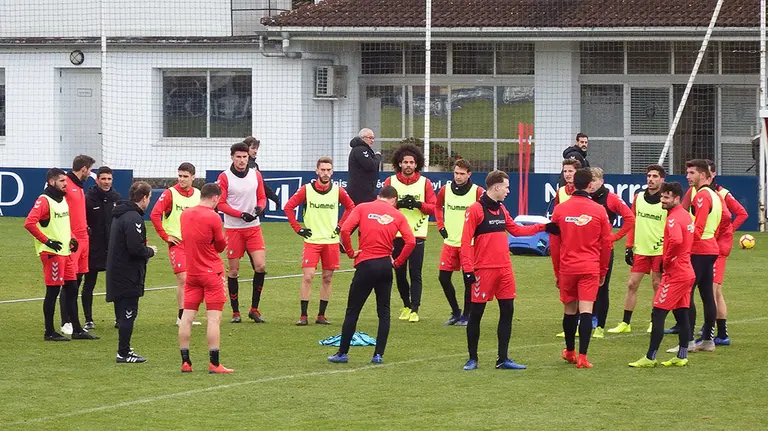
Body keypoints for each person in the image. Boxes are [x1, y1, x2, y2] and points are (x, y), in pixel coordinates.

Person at [461, 170, 554, 371]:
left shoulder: (501, 209)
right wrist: (468, 269)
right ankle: (472, 359)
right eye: (506, 187)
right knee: (476, 313)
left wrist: (543, 227)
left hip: (504, 269)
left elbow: (517, 230)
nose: (508, 191)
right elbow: (465, 242)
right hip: (483, 270)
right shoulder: (475, 210)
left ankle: (502, 359)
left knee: (508, 311)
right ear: (496, 187)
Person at [328, 186, 415, 364]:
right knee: (383, 312)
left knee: (353, 310)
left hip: (366, 264)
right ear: (394, 200)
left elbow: (345, 231)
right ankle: (378, 355)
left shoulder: (362, 208)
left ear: (378, 196)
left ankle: (342, 353)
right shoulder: (398, 215)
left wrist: (351, 252)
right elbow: (411, 241)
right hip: (385, 265)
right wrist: (397, 263)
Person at [25, 168, 99, 342]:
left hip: (65, 252)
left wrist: (72, 239)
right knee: (52, 291)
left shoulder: (62, 200)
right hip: (52, 254)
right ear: (52, 182)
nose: (66, 184)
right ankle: (49, 331)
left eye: (66, 181)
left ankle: (77, 329)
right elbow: (29, 223)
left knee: (72, 288)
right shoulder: (44, 201)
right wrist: (47, 241)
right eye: (62, 181)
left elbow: (64, 225)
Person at [550, 168, 612, 369]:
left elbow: (554, 244)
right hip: (590, 267)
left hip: (568, 267)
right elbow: (607, 245)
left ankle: (569, 351)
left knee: (569, 309)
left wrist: (557, 270)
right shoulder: (599, 210)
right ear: (589, 185)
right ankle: (583, 357)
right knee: (586, 310)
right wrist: (602, 271)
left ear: (573, 184)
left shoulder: (560, 210)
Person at [629, 182, 695, 368]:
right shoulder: (686, 215)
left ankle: (650, 358)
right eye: (662, 196)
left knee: (658, 313)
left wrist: (667, 260)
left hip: (676, 274)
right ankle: (682, 356)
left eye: (667, 197)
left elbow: (676, 240)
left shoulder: (674, 217)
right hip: (686, 271)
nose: (662, 200)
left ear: (676, 199)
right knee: (682, 314)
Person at [283, 157, 355, 325]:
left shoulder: (338, 191)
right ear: (317, 171)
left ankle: (321, 316)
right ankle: (303, 316)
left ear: (332, 172)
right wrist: (298, 228)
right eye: (322, 170)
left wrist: (340, 225)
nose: (325, 173)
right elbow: (288, 207)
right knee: (308, 277)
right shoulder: (306, 190)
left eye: (328, 170)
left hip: (330, 242)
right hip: (312, 241)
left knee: (327, 278)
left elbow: (351, 207)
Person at [178, 183, 233, 374]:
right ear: (216, 198)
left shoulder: (185, 214)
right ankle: (214, 363)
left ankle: (186, 362)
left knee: (186, 318)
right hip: (212, 274)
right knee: (213, 319)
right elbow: (220, 245)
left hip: (191, 273)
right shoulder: (214, 217)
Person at [607, 164, 666, 335]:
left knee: (657, 285)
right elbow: (633, 222)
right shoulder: (639, 197)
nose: (651, 179)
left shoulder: (665, 200)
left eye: (655, 176)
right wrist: (628, 246)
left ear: (662, 179)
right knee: (632, 284)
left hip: (659, 250)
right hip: (641, 249)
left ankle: (654, 322)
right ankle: (626, 322)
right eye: (649, 176)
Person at [383, 143, 436, 323]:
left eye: (411, 162)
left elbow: (433, 208)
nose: (408, 165)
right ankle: (406, 305)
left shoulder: (425, 183)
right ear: (399, 163)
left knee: (416, 272)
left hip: (417, 234)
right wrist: (399, 204)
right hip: (395, 235)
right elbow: (383, 206)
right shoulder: (390, 181)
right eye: (404, 162)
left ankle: (415, 309)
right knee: (398, 271)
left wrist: (418, 204)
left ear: (416, 164)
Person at [106, 181, 157, 363]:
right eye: (149, 198)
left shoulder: (120, 215)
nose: (149, 202)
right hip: (127, 274)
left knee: (124, 314)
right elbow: (135, 248)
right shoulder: (133, 218)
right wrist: (150, 251)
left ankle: (124, 348)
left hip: (118, 271)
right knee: (129, 314)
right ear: (144, 198)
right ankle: (123, 353)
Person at [217, 142, 268, 323]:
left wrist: (260, 207)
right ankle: (235, 311)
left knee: (260, 266)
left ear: (249, 157)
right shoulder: (225, 177)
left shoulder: (256, 175)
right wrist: (240, 214)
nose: (241, 160)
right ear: (232, 157)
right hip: (233, 229)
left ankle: (254, 309)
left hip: (253, 227)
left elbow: (262, 197)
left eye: (244, 157)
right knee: (233, 270)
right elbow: (220, 203)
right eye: (238, 157)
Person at [678, 159, 723, 353]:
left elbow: (699, 226)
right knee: (706, 294)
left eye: (692, 173)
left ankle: (687, 342)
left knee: (685, 293)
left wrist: (685, 246)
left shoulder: (702, 196)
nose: (688, 176)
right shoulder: (714, 195)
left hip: (699, 249)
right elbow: (726, 218)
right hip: (711, 247)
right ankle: (707, 340)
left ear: (703, 175)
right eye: (687, 173)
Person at [150, 162, 202, 326]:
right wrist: (166, 236)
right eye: (179, 176)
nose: (181, 179)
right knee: (183, 278)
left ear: (193, 177)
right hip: (177, 243)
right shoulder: (169, 193)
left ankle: (188, 315)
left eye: (185, 176)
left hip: (195, 244)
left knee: (194, 280)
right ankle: (181, 317)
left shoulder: (198, 195)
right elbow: (154, 214)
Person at [434, 159, 484, 326]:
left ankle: (466, 315)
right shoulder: (445, 190)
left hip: (469, 244)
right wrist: (440, 225)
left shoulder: (478, 192)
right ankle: (455, 311)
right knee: (443, 278)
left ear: (469, 174)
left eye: (462, 174)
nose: (458, 176)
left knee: (468, 280)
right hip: (450, 242)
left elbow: (486, 212)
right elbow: (437, 207)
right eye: (456, 173)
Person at [587, 167, 635, 338]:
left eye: (594, 180)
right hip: (586, 249)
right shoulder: (584, 196)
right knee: (583, 286)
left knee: (602, 287)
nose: (591, 184)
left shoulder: (611, 198)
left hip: (604, 250)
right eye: (589, 180)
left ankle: (600, 326)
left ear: (602, 181)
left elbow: (629, 218)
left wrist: (615, 237)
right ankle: (584, 321)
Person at [59, 154, 95, 335]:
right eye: (90, 169)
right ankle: (65, 321)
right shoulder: (65, 183)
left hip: (84, 238)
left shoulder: (79, 186)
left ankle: (74, 321)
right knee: (69, 282)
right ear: (84, 169)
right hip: (72, 241)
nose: (91, 173)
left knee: (78, 279)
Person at [82, 166, 120, 330]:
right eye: (103, 179)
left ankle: (119, 319)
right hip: (92, 250)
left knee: (117, 285)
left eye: (109, 179)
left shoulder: (116, 198)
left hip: (112, 250)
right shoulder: (88, 198)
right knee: (88, 284)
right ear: (97, 180)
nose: (106, 182)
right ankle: (88, 319)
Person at [346, 128, 382, 205]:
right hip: (360, 193)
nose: (372, 141)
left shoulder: (363, 149)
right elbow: (370, 165)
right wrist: (378, 157)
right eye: (370, 138)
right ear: (363, 138)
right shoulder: (360, 149)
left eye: (373, 138)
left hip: (365, 191)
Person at [244, 136, 280, 208]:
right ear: (246, 149)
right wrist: (274, 197)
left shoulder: (253, 164)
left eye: (257, 148)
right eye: (253, 148)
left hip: (253, 203)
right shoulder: (248, 165)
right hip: (249, 205)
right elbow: (261, 185)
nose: (256, 151)